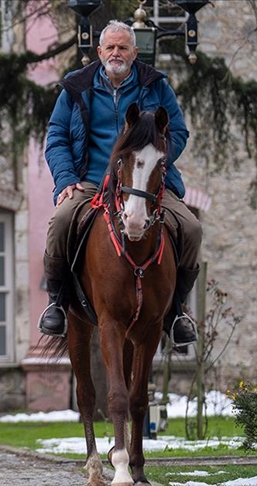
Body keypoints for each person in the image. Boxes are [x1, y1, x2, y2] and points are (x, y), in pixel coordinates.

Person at [39, 21, 202, 346]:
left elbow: (179, 131)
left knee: (193, 228)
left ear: (134, 52)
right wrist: (66, 179)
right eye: (110, 47)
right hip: (90, 182)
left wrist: (156, 158)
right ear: (99, 52)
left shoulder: (156, 86)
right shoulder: (75, 87)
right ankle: (56, 303)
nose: (116, 53)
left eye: (123, 47)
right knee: (59, 223)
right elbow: (56, 136)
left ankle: (176, 311)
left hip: (145, 183)